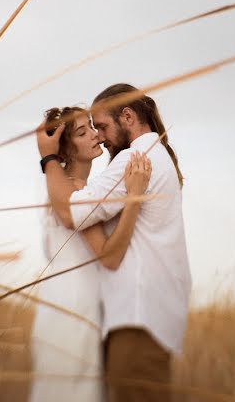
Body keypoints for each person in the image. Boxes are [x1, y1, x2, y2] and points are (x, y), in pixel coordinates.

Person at [37, 84, 191, 402]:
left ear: (128, 117)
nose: (100, 136)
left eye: (101, 126)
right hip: (107, 314)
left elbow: (72, 213)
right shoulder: (151, 156)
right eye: (87, 130)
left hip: (135, 315)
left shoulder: (135, 159)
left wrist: (48, 159)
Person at [30, 105, 152, 402]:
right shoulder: (75, 191)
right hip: (77, 308)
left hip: (54, 304)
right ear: (66, 150)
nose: (97, 135)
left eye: (92, 128)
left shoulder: (57, 191)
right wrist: (135, 198)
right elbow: (109, 257)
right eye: (83, 132)